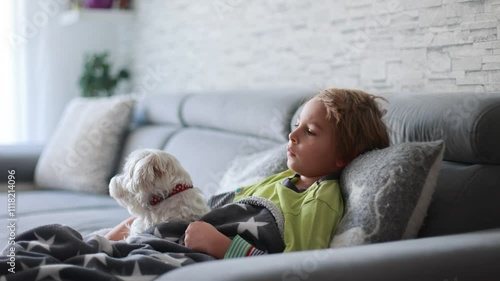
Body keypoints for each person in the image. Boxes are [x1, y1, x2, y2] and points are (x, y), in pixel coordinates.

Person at [106, 88, 390, 259]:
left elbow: (296, 267)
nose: (292, 135)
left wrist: (223, 246)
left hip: (201, 254)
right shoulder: (284, 180)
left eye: (310, 132)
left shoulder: (320, 200)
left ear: (344, 156)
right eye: (297, 124)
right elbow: (217, 211)